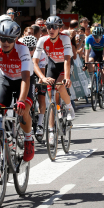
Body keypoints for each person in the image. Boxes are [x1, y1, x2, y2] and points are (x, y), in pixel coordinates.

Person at [0, 19, 36, 180]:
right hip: (6, 80)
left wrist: (21, 100)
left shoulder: (22, 49)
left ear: (16, 40)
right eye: (2, 38)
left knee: (23, 110)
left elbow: (26, 78)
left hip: (23, 81)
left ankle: (28, 139)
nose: (5, 43)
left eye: (9, 40)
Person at [33, 16, 75, 144]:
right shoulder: (42, 40)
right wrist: (42, 77)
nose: (51, 29)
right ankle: (51, 131)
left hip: (65, 65)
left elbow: (67, 59)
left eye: (54, 27)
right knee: (51, 100)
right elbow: (34, 62)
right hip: (52, 65)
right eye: (49, 27)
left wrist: (67, 77)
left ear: (60, 28)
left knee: (60, 86)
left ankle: (69, 107)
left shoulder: (65, 38)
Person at [84, 26, 104, 100]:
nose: (97, 38)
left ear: (102, 35)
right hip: (94, 52)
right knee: (89, 62)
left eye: (99, 36)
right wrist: (86, 63)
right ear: (92, 35)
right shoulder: (89, 38)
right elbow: (86, 52)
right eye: (96, 37)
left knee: (103, 72)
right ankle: (92, 81)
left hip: (102, 53)